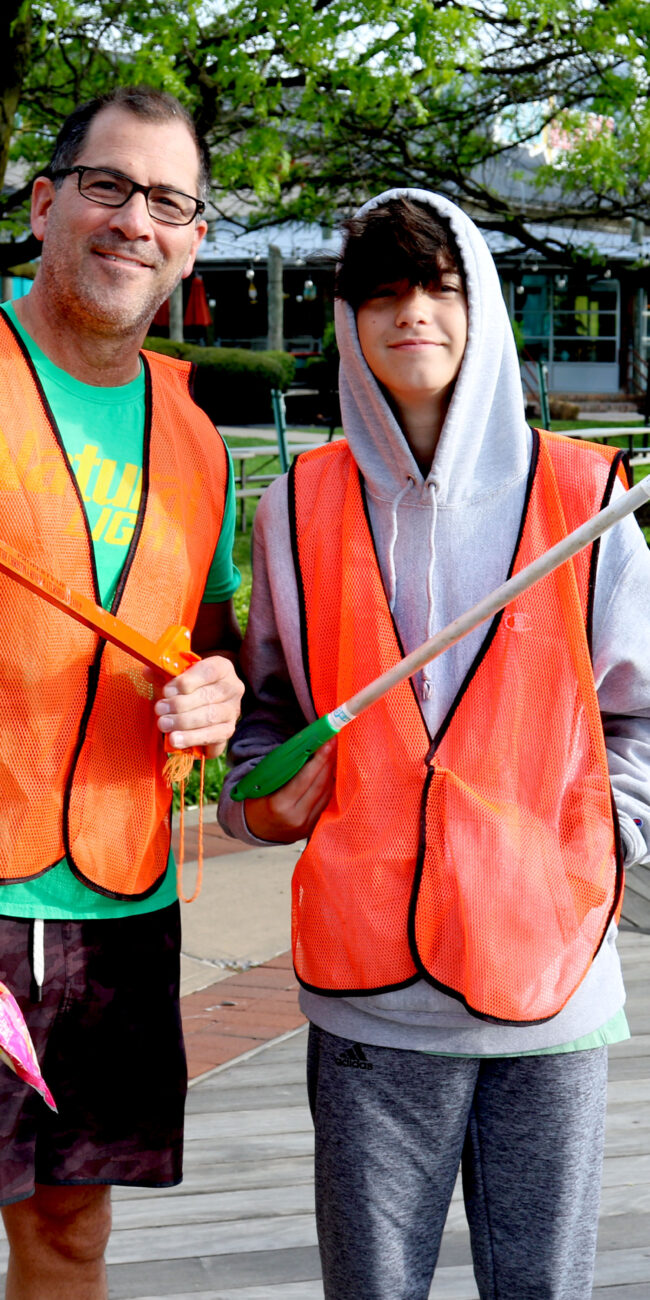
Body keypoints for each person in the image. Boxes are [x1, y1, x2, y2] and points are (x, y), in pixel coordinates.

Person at [218, 190, 650, 1299]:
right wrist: (257, 799)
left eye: (439, 287)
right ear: (349, 319)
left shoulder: (586, 494)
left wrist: (602, 838)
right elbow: (266, 710)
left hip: (549, 980)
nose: (412, 312)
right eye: (382, 293)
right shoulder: (293, 506)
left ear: (483, 305)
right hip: (366, 997)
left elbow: (638, 713)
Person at [0, 87, 244, 1298]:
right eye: (107, 185)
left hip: (115, 899)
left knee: (70, 1235)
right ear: (45, 203)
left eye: (167, 200)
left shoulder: (199, 438)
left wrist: (217, 691)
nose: (133, 219)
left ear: (194, 240)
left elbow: (209, 643)